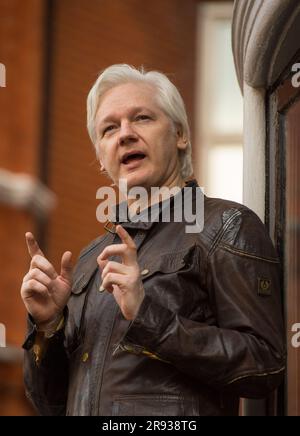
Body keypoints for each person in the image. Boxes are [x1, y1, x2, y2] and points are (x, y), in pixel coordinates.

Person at [21, 64, 285, 416]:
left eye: (142, 118)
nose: (125, 134)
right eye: (109, 128)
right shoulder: (90, 260)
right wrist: (47, 327)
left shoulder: (226, 225)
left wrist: (146, 315)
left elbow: (265, 363)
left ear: (180, 134)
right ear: (102, 158)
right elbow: (50, 403)